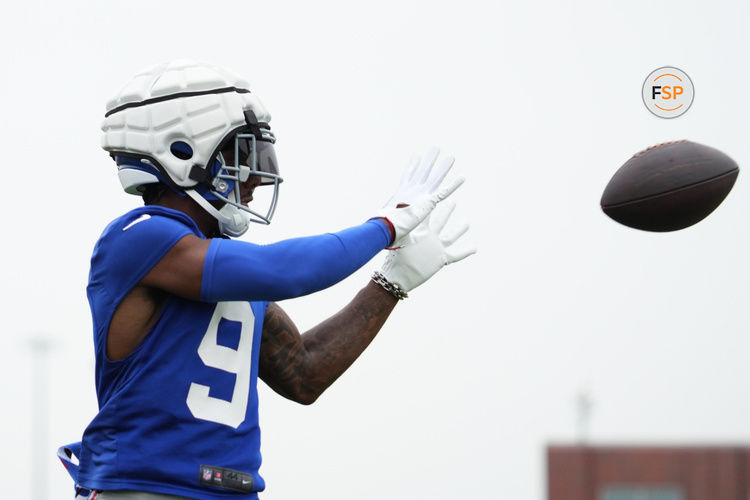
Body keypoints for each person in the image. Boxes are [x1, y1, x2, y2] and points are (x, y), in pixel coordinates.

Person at [58, 59, 474, 500]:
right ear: (182, 152)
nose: (256, 175)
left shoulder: (220, 266)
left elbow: (305, 373)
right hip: (145, 488)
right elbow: (287, 271)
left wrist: (392, 282)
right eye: (241, 154)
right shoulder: (140, 236)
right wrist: (385, 225)